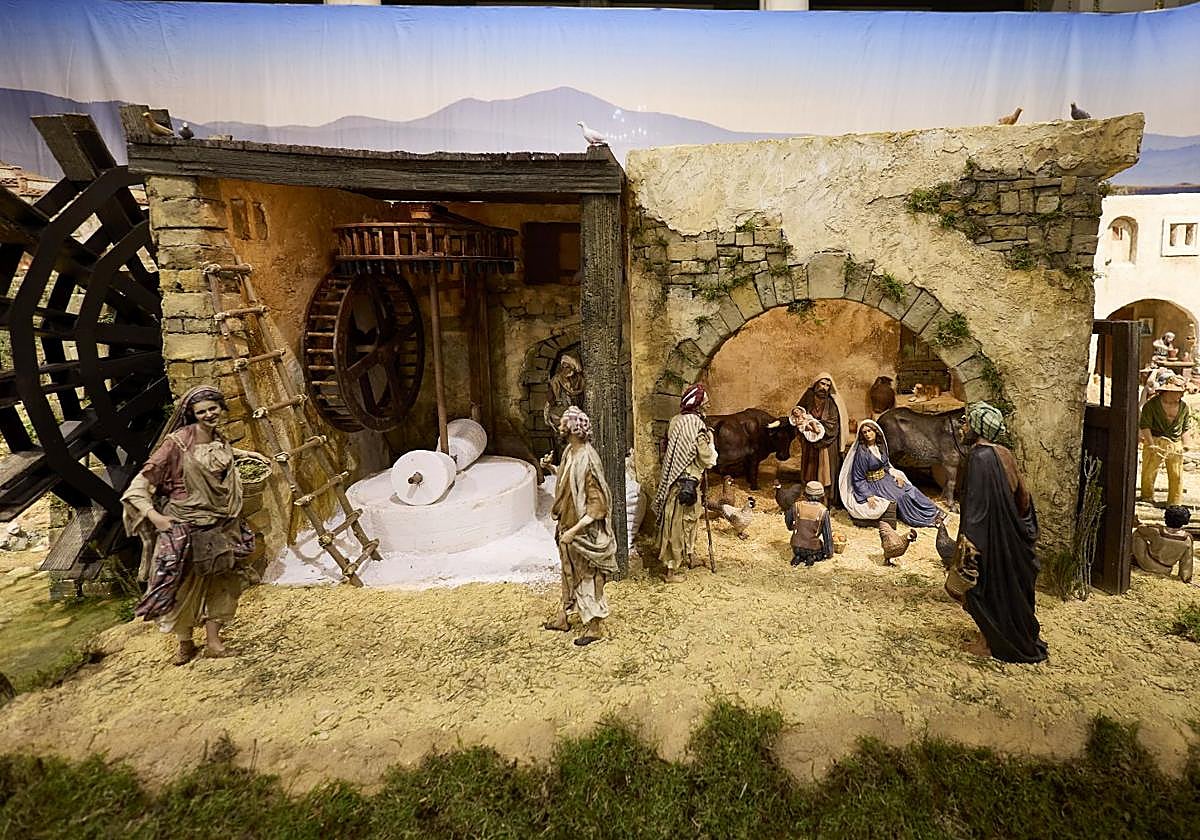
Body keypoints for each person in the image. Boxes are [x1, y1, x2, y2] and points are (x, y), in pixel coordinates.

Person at [122, 385, 267, 665]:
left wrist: (247, 455)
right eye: (202, 412)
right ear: (192, 414)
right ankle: (185, 643)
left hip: (220, 523)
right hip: (186, 525)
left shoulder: (218, 438)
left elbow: (216, 454)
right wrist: (155, 517)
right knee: (182, 587)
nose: (209, 415)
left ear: (221, 408)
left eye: (213, 409)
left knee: (222, 581)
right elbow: (139, 486)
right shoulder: (176, 444)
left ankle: (214, 643)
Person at [950, 402, 1048, 664]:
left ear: (979, 428)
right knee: (1009, 590)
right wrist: (1016, 527)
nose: (964, 428)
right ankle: (1001, 636)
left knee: (981, 589)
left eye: (968, 423)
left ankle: (989, 642)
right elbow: (1023, 497)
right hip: (1012, 536)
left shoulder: (977, 457)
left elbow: (975, 507)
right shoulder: (1005, 453)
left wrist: (970, 543)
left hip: (989, 539)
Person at [540, 407, 619, 645]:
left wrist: (574, 531)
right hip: (567, 524)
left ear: (573, 429)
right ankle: (563, 617)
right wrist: (551, 468)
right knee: (568, 575)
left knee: (587, 578)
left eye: (563, 424)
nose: (560, 427)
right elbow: (568, 480)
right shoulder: (570, 452)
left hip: (582, 531)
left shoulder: (588, 459)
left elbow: (597, 506)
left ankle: (594, 627)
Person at [653, 383, 718, 583]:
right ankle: (670, 571)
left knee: (690, 520)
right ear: (697, 404)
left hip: (679, 480)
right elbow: (706, 457)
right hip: (685, 483)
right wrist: (711, 442)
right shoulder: (696, 425)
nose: (708, 405)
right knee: (677, 526)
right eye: (705, 402)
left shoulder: (676, 420)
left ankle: (690, 555)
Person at [839, 419, 945, 528]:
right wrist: (867, 495)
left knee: (910, 489)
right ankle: (923, 519)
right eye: (864, 432)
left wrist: (896, 476)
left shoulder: (880, 447)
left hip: (885, 479)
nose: (867, 434)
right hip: (874, 485)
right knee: (901, 496)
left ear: (876, 432)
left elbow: (885, 465)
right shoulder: (862, 453)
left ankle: (933, 511)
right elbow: (858, 478)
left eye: (869, 431)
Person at [793, 373, 848, 507]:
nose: (824, 387)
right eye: (822, 384)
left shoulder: (833, 402)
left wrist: (817, 426)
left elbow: (834, 423)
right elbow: (798, 414)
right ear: (816, 384)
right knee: (810, 470)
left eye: (827, 385)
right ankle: (809, 497)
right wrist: (804, 425)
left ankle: (825, 500)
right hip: (810, 443)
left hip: (827, 443)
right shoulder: (808, 397)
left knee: (825, 472)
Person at [1139, 375, 1194, 507]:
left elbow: (1185, 427)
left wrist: (1186, 444)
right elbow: (1145, 425)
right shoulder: (1151, 405)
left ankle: (1174, 501)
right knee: (1149, 471)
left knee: (1176, 474)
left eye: (1182, 392)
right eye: (1178, 392)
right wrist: (1151, 444)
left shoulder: (1184, 407)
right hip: (1155, 440)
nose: (1181, 395)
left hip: (1174, 443)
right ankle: (1147, 497)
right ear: (1168, 391)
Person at [1132, 505, 1194, 584]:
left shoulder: (1157, 531)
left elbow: (1140, 528)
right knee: (1186, 554)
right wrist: (1186, 578)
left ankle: (1131, 556)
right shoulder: (1187, 539)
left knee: (1138, 534)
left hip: (1146, 564)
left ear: (1166, 518)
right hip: (1165, 569)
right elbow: (1187, 561)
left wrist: (1146, 524)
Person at [543, 354, 585, 465]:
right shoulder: (557, 379)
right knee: (562, 440)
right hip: (559, 414)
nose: (565, 369)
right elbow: (550, 398)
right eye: (563, 367)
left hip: (574, 415)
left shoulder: (579, 380)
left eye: (567, 367)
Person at [785, 480, 833, 567]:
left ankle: (799, 556)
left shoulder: (796, 506)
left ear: (805, 494)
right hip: (813, 548)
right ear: (821, 496)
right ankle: (812, 557)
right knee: (819, 551)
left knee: (800, 550)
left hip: (796, 546)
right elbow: (827, 536)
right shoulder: (823, 511)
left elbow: (788, 520)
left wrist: (791, 527)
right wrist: (829, 553)